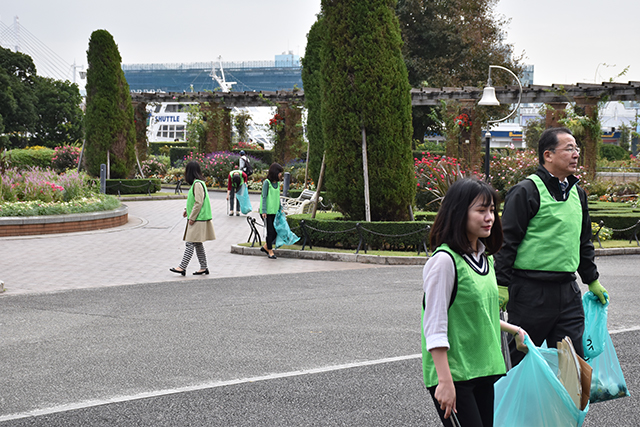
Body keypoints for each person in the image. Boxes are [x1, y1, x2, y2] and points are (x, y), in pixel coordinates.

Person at [494, 127, 609, 366]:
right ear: (548, 155)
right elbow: (507, 242)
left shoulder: (578, 194)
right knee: (523, 364)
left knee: (573, 364)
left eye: (577, 148)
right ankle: (521, 404)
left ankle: (569, 405)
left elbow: (583, 241)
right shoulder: (526, 191)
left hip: (567, 292)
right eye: (569, 149)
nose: (576, 154)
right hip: (529, 292)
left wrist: (592, 280)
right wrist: (502, 284)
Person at [422, 178, 528, 427]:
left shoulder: (485, 260)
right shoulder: (444, 262)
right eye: (481, 210)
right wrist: (444, 382)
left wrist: (515, 330)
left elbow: (482, 313)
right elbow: (434, 327)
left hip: (485, 369)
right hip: (456, 375)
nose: (489, 217)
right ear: (459, 213)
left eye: (492, 210)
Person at [170, 161, 216, 276]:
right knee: (197, 244)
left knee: (190, 243)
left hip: (198, 219)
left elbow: (198, 202)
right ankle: (203, 267)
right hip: (198, 218)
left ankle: (182, 267)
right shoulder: (198, 183)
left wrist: (192, 217)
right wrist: (187, 210)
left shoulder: (197, 184)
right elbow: (195, 201)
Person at [259, 163, 284, 259]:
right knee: (270, 231)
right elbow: (264, 197)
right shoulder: (267, 183)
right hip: (267, 212)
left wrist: (280, 208)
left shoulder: (277, 183)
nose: (280, 175)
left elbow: (277, 198)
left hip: (275, 211)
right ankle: (270, 251)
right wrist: (264, 210)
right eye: (279, 173)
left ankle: (265, 247)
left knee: (275, 231)